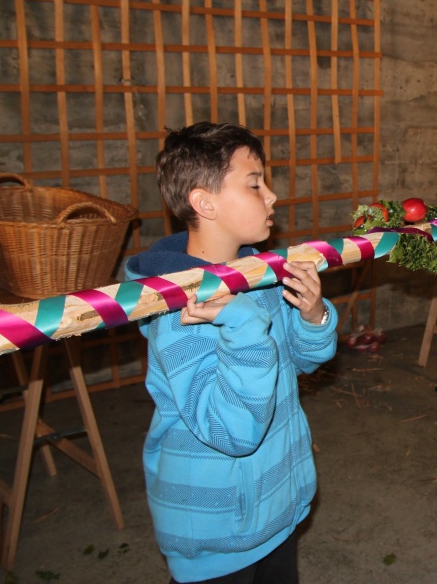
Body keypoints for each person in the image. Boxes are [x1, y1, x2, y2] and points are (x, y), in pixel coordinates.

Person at [125, 122, 337, 584]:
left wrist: (312, 315)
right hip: (220, 530)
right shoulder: (180, 311)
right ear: (205, 203)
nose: (272, 196)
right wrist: (244, 326)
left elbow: (301, 363)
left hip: (276, 507)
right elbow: (233, 430)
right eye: (254, 184)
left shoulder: (256, 275)